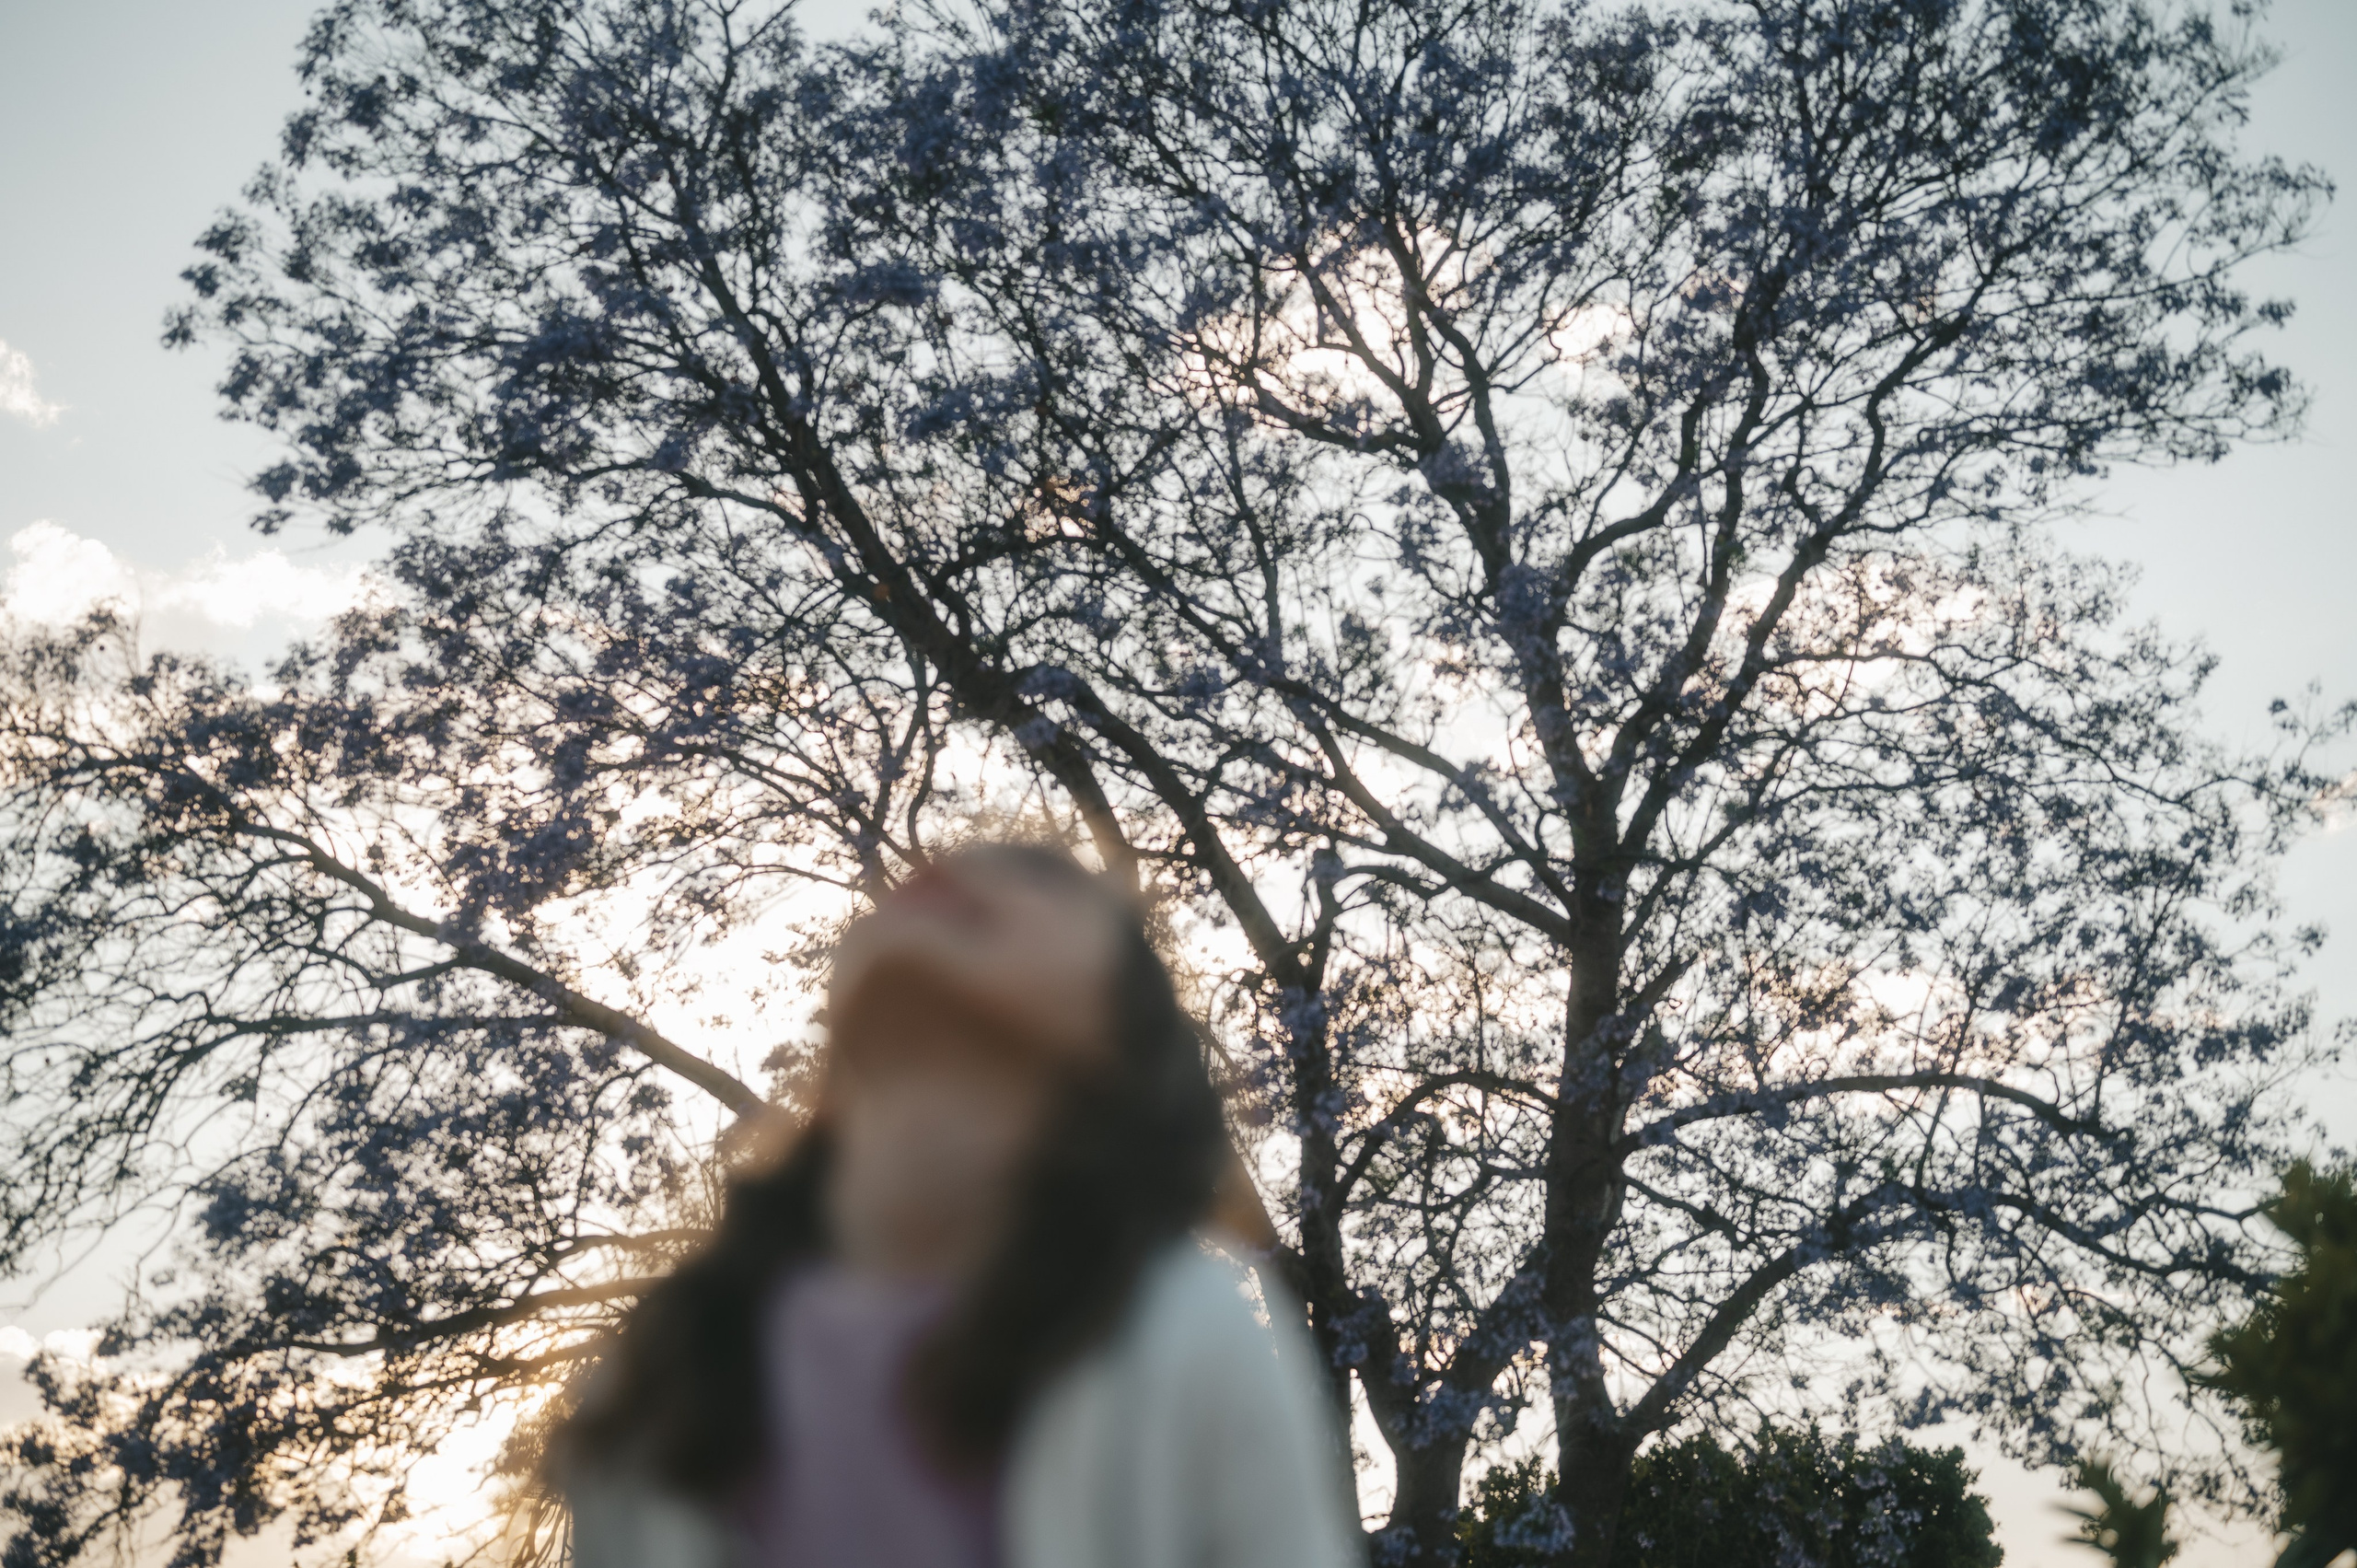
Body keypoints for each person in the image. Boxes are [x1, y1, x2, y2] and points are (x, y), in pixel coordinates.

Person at [554, 842, 1364, 1568]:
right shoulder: (663, 1372)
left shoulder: (1188, 1328)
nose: (953, 866)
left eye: (1042, 874)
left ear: (1121, 1039)